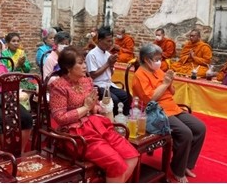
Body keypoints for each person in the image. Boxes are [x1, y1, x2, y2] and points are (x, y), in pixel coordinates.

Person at [49, 47, 139, 183]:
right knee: (116, 163)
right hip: (74, 133)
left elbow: (94, 106)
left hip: (95, 125)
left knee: (132, 155)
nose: (85, 66)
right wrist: (86, 108)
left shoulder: (87, 81)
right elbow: (60, 118)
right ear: (68, 67)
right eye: (80, 63)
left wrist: (100, 107)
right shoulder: (59, 86)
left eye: (85, 62)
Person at [132, 44, 206, 183]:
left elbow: (171, 92)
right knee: (185, 133)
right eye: (156, 59)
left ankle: (186, 165)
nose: (159, 62)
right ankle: (177, 169)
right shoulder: (139, 75)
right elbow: (150, 99)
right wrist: (165, 84)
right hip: (154, 112)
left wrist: (169, 82)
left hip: (172, 107)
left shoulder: (158, 70)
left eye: (160, 58)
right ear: (147, 60)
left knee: (200, 127)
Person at [85, 27, 130, 116]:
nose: (110, 44)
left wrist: (112, 64)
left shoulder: (108, 54)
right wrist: (108, 63)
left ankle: (123, 118)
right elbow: (93, 75)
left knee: (127, 96)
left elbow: (111, 74)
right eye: (108, 41)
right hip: (97, 85)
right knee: (115, 100)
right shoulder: (92, 55)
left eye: (111, 41)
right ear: (100, 40)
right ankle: (113, 122)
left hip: (108, 84)